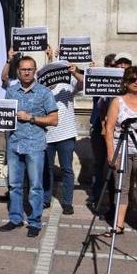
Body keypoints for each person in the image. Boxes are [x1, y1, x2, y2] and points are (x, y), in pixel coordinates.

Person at [0, 56, 58, 238]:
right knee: (14, 185)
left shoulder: (44, 92)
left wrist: (30, 118)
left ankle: (34, 221)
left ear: (35, 71)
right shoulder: (11, 91)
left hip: (35, 145)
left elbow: (54, 120)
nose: (26, 72)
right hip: (14, 144)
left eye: (30, 69)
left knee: (35, 186)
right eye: (23, 69)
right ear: (17, 71)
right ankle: (15, 218)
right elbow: (5, 115)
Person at [103, 66, 137, 243]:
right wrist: (112, 153)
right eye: (133, 79)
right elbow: (109, 128)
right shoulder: (118, 101)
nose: (136, 82)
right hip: (123, 150)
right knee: (122, 188)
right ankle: (119, 224)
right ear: (125, 82)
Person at [42, 46, 84, 215]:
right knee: (47, 168)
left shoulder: (67, 85)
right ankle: (46, 199)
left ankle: (67, 202)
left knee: (67, 169)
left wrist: (74, 71)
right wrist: (50, 59)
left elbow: (84, 83)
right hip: (46, 134)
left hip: (66, 134)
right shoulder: (42, 87)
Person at [88, 53, 117, 208]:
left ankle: (114, 201)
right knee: (99, 164)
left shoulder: (123, 82)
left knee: (115, 164)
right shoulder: (99, 80)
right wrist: (90, 72)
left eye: (115, 65)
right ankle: (97, 198)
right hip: (99, 126)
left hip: (117, 128)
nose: (113, 68)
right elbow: (83, 82)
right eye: (110, 65)